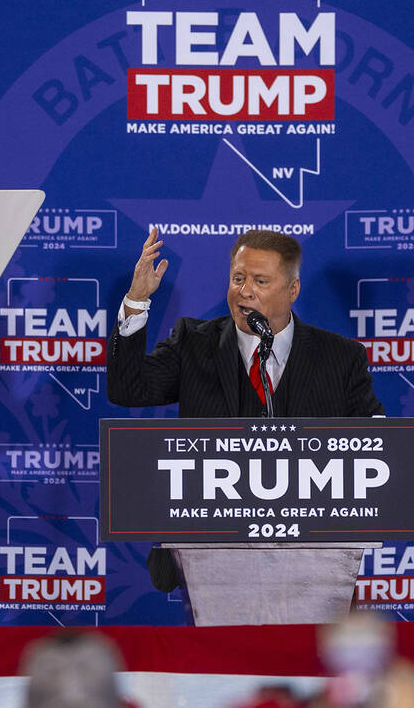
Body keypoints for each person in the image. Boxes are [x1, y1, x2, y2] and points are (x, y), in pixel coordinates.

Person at [106, 228, 384, 590]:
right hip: (209, 554)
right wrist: (137, 300)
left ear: (292, 290)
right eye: (238, 278)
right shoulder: (194, 342)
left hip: (311, 558)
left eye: (261, 280)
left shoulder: (340, 356)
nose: (244, 290)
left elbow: (374, 442)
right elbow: (129, 389)